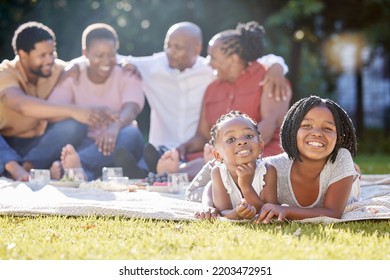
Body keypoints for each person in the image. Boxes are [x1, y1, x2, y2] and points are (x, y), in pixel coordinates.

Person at [156, 21, 292, 179]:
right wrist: (182, 149)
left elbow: (267, 129)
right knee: (198, 162)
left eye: (212, 57)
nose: (207, 62)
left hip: (263, 155)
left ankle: (174, 175)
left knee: (208, 165)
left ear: (233, 59)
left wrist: (228, 152)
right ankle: (175, 171)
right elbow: (203, 135)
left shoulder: (269, 79)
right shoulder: (211, 89)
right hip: (219, 155)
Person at [195, 95, 361, 221]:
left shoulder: (340, 157)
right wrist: (208, 206)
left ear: (339, 137)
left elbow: (334, 212)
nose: (317, 132)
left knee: (347, 166)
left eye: (327, 128)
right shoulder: (274, 167)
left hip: (344, 184)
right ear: (291, 131)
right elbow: (217, 180)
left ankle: (351, 174)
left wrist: (285, 210)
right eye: (307, 125)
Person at [0, 21, 117, 181]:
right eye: (42, 55)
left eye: (52, 53)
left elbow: (88, 61)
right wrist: (73, 110)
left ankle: (28, 167)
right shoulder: (5, 73)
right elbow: (22, 105)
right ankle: (14, 169)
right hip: (6, 143)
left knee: (75, 125)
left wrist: (126, 63)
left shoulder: (58, 69)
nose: (50, 60)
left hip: (39, 144)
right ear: (23, 55)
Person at [48, 23, 146, 181]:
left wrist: (115, 126)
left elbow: (132, 108)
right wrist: (81, 113)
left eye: (111, 54)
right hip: (86, 141)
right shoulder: (73, 75)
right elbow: (52, 111)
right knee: (78, 142)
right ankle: (83, 173)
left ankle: (72, 168)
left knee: (132, 134)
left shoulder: (128, 73)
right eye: (99, 56)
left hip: (121, 137)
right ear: (85, 53)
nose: (106, 61)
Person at [202, 110, 277, 220]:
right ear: (217, 154)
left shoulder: (268, 171)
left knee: (210, 186)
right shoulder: (218, 172)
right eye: (231, 139)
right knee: (206, 192)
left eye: (248, 136)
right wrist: (237, 213)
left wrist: (246, 186)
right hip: (204, 185)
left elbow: (267, 211)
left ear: (260, 146)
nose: (242, 142)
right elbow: (223, 211)